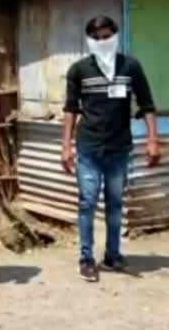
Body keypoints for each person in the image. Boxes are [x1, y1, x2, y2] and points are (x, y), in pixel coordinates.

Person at [63, 15, 160, 282]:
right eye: (96, 37)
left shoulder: (131, 66)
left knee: (115, 204)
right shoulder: (79, 70)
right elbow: (71, 110)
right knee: (88, 202)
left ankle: (113, 254)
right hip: (88, 147)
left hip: (119, 148)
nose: (102, 41)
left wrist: (153, 139)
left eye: (106, 36)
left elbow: (147, 105)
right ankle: (86, 258)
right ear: (89, 40)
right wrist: (66, 146)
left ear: (115, 36)